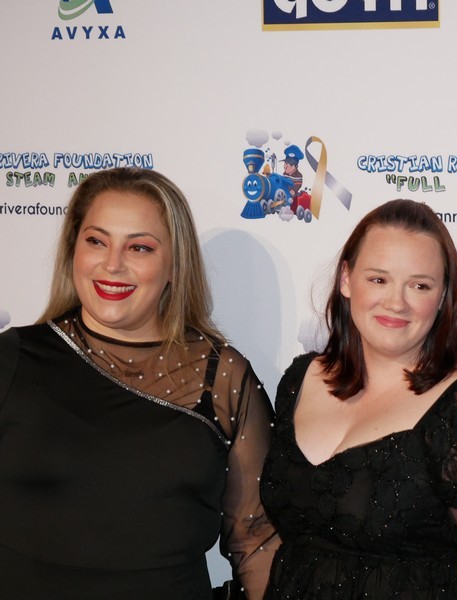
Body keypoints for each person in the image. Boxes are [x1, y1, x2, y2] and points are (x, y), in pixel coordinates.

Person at [0, 167, 278, 599]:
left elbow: (255, 539)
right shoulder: (12, 359)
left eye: (140, 247)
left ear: (174, 266)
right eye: (96, 241)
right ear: (73, 251)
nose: (112, 264)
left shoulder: (222, 378)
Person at [259, 199, 457, 599]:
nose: (396, 302)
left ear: (443, 296)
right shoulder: (300, 380)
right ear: (346, 279)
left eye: (420, 286)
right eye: (378, 279)